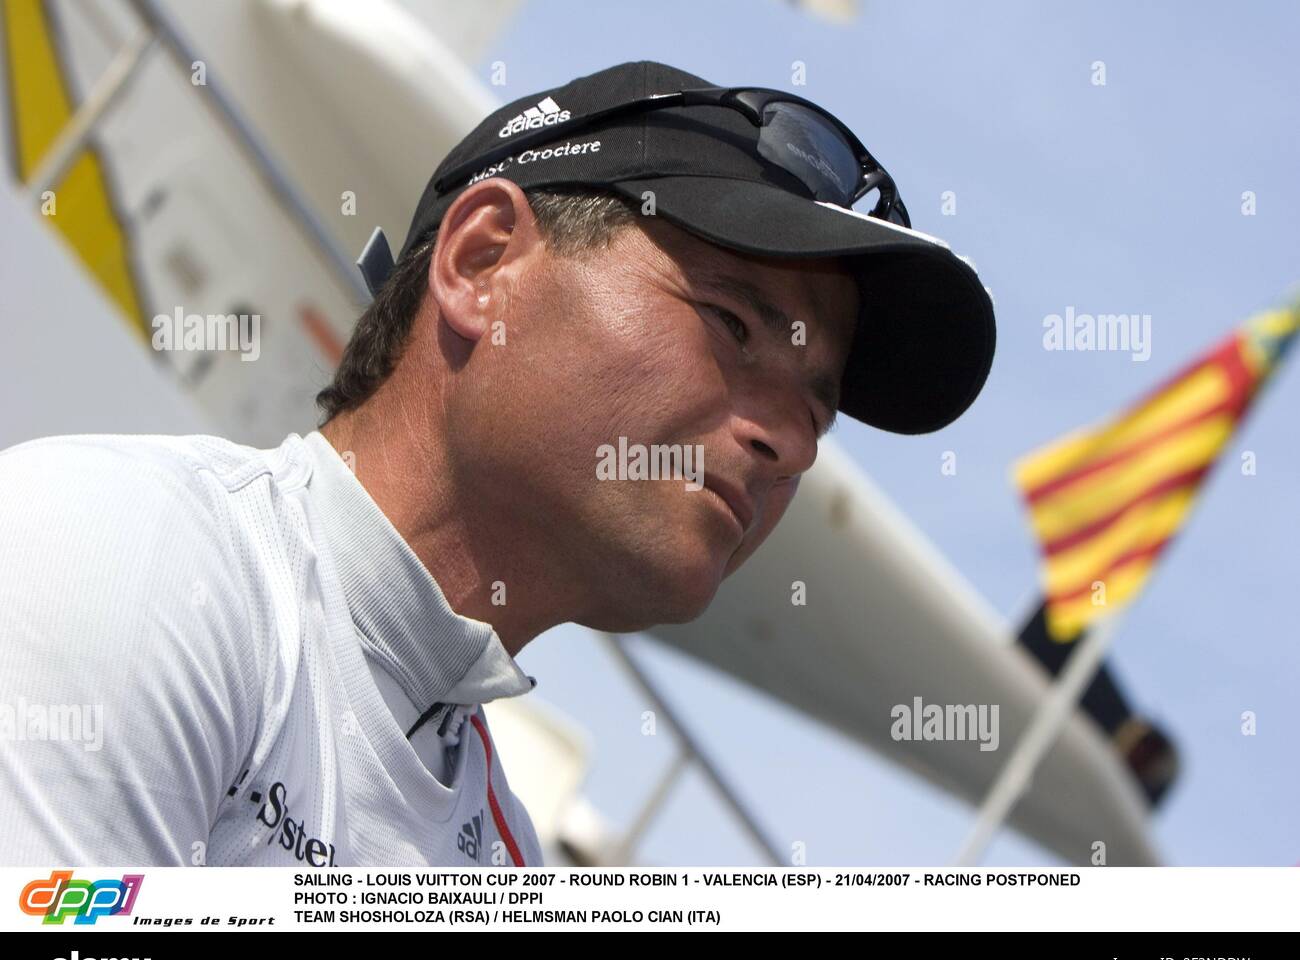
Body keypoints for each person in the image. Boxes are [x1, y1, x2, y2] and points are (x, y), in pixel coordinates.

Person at [0, 60, 994, 867]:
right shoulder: (121, 559)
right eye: (732, 321)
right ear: (483, 267)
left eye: (817, 406)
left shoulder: (508, 859)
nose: (791, 440)